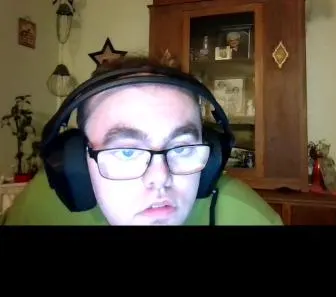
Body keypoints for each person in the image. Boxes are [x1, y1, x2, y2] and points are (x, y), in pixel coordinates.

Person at [0, 55, 281, 226]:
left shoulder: (248, 217)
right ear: (79, 163)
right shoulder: (36, 208)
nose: (160, 178)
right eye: (126, 152)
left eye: (182, 148)